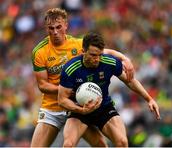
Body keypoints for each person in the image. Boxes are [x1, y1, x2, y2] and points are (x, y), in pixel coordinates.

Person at [31, 8, 135, 147]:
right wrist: (67, 90)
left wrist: (124, 58)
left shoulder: (78, 44)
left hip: (78, 106)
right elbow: (42, 85)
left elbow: (105, 52)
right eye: (51, 28)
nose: (55, 32)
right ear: (46, 28)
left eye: (58, 27)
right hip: (53, 108)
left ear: (66, 25)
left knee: (100, 145)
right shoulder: (39, 52)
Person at [58, 32, 161, 147]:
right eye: (93, 55)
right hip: (79, 111)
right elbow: (62, 100)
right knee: (68, 144)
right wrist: (81, 110)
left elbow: (130, 81)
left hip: (103, 108)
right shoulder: (71, 69)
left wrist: (149, 99)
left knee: (122, 142)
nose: (97, 59)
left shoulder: (109, 62)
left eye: (100, 55)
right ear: (83, 51)